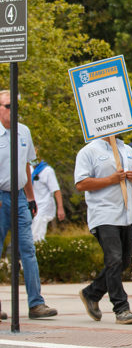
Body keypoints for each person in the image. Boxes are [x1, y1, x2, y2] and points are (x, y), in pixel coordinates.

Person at [75, 136, 132, 324]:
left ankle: (91, 293)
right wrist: (110, 180)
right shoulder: (89, 151)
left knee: (124, 261)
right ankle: (121, 308)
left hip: (126, 214)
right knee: (114, 259)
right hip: (103, 214)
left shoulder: (127, 150)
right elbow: (81, 183)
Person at [0, 90, 58, 319]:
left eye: (14, 106)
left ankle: (36, 304)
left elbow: (26, 166)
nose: (11, 110)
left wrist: (31, 197)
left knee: (28, 250)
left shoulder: (24, 131)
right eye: (6, 106)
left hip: (20, 197)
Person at [30, 157, 66, 242]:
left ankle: (39, 252)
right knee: (30, 233)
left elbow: (56, 190)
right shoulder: (29, 169)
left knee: (37, 234)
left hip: (44, 206)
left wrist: (60, 208)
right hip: (32, 205)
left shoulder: (47, 171)